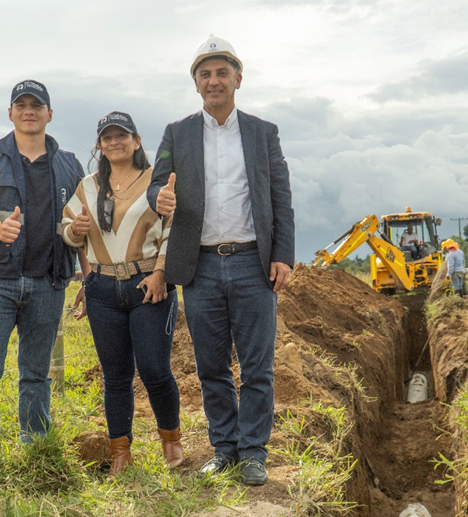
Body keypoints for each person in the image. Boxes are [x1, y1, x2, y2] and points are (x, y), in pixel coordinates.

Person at [147, 35, 296, 487]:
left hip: (254, 262)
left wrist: (283, 256)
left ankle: (253, 452)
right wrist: (162, 197)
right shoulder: (178, 133)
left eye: (221, 72)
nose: (214, 81)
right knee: (211, 366)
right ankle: (224, 449)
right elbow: (156, 185)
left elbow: (280, 198)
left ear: (238, 78)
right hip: (201, 265)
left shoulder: (262, 132)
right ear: (196, 84)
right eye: (205, 74)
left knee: (256, 367)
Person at [0, 80, 85, 455]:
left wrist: (87, 274)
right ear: (10, 112)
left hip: (48, 282)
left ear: (49, 114)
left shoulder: (69, 164)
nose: (29, 110)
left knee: (36, 375)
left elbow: (78, 225)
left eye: (37, 105)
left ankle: (35, 447)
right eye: (21, 104)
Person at [61, 111, 181, 478]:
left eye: (122, 136)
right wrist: (75, 229)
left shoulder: (155, 182)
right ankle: (119, 453)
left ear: (137, 140)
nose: (114, 142)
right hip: (101, 290)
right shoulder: (88, 186)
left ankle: (171, 440)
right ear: (99, 145)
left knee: (154, 369)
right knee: (114, 375)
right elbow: (67, 229)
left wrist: (161, 273)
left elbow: (172, 230)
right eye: (107, 137)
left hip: (148, 285)